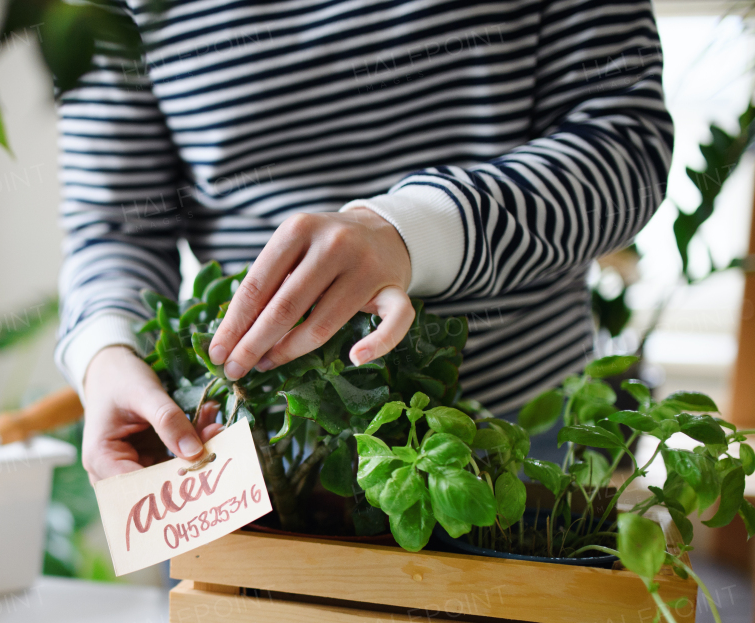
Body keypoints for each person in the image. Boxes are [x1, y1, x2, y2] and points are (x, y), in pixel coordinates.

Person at [56, 0, 672, 481]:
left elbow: (625, 140)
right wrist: (106, 350)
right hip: (249, 459)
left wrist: (409, 232)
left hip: (516, 442)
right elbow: (117, 221)